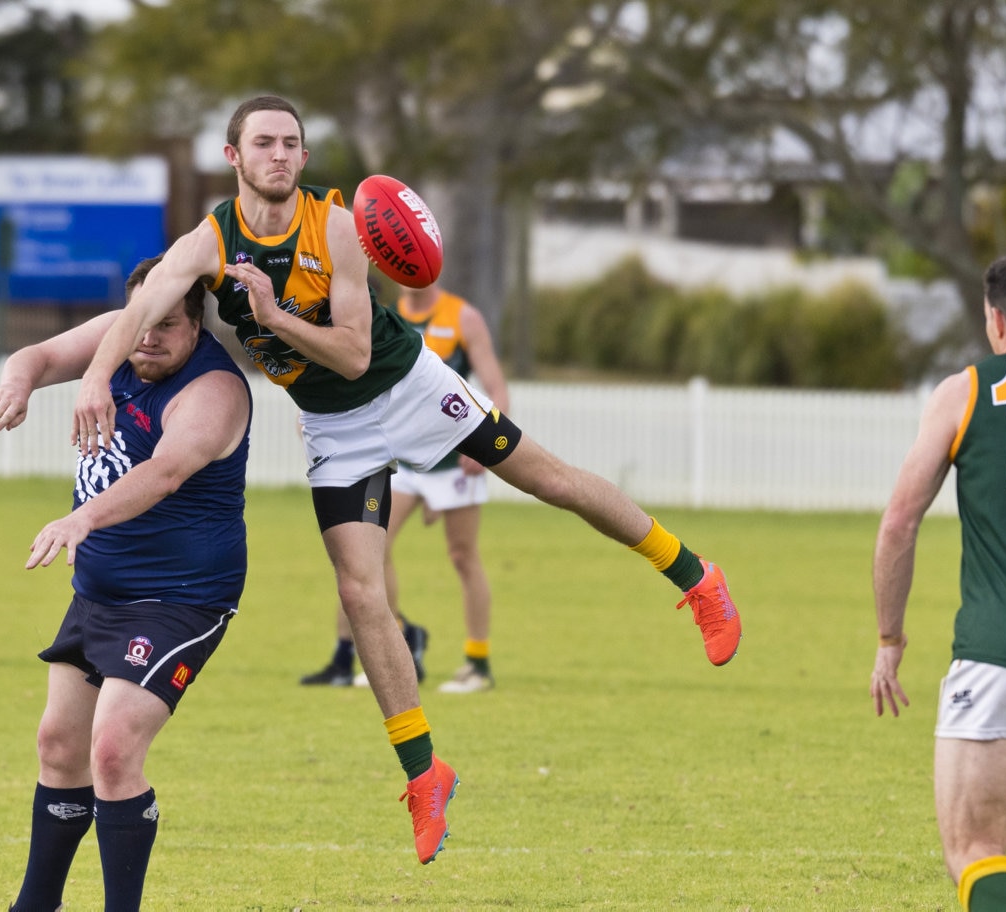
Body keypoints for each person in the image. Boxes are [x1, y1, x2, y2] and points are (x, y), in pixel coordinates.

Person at [70, 95, 741, 866]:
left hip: (410, 388)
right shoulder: (208, 240)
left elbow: (354, 353)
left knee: (548, 478)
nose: (280, 155)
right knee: (362, 592)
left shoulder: (340, 227)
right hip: (336, 430)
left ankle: (695, 576)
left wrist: (273, 316)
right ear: (234, 157)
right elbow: (140, 308)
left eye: (292, 142)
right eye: (264, 143)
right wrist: (95, 377)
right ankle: (426, 775)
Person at [0, 255, 252, 912]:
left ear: (195, 326)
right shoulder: (122, 336)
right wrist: (17, 383)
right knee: (58, 745)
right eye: (139, 324)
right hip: (100, 591)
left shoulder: (214, 391)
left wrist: (82, 518)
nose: (147, 339)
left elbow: (164, 473)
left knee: (113, 745)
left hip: (179, 601)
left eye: (166, 327)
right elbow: (35, 355)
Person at [871, 249, 1006, 912]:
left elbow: (900, 523)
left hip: (1001, 652)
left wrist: (889, 637)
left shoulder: (965, 392)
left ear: (996, 320)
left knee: (977, 848)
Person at [300, 282, 510, 694]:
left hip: (456, 458)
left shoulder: (462, 316)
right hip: (408, 462)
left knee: (463, 555)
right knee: (371, 552)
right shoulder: (385, 315)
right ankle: (401, 635)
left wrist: (485, 447)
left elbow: (495, 385)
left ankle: (477, 661)